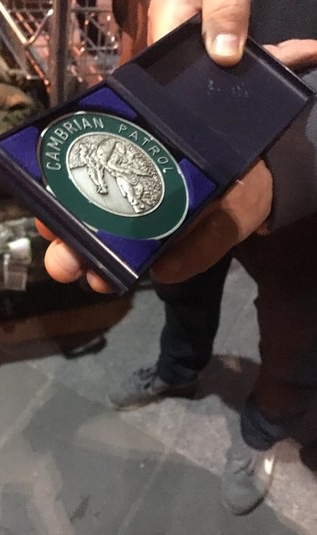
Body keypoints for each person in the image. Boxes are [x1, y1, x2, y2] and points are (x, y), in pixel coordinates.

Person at [37, 0, 317, 515]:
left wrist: (299, 156)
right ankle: (179, 367)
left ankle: (261, 433)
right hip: (176, 94)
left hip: (302, 167)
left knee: (296, 330)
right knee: (179, 276)